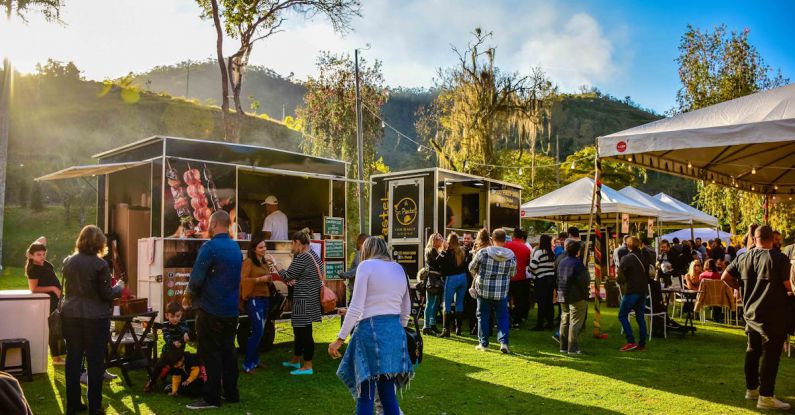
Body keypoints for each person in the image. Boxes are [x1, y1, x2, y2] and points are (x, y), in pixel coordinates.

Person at [329, 237, 413, 415]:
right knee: (388, 393)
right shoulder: (399, 268)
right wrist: (395, 330)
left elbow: (356, 306)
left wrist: (339, 339)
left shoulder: (365, 266)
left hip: (370, 332)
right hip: (395, 333)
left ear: (367, 250)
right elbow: (406, 310)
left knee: (365, 393)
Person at [722, 225, 792, 410]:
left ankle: (752, 389)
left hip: (751, 312)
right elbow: (788, 286)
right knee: (771, 355)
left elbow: (725, 277)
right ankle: (766, 396)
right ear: (773, 239)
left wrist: (740, 287)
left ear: (754, 238)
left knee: (752, 351)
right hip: (774, 314)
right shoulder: (779, 259)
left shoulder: (743, 257)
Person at [61, 225, 124, 415]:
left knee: (73, 360)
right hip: (95, 317)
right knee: (95, 362)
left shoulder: (68, 261)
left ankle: (73, 405)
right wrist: (119, 287)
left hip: (70, 314)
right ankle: (95, 407)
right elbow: (106, 294)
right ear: (99, 243)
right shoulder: (100, 264)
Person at [183, 210, 242, 409]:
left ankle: (211, 398)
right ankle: (232, 393)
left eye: (209, 223)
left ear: (215, 223)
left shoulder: (210, 247)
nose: (208, 226)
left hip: (210, 309)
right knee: (229, 352)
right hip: (231, 311)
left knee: (211, 354)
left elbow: (196, 278)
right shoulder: (235, 248)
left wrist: (187, 297)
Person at [268, 230, 323, 376]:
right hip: (311, 298)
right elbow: (315, 275)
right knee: (300, 331)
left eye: (293, 243)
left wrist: (276, 263)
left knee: (304, 333)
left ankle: (307, 366)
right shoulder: (314, 255)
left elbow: (287, 276)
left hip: (303, 299)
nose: (292, 247)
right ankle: (296, 359)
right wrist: (300, 280)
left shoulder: (302, 257)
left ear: (298, 243)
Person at [469, 229, 517, 354]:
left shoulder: (483, 252)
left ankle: (483, 343)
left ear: (492, 239)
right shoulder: (511, 255)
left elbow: (471, 268)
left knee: (482, 316)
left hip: (483, 290)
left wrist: (479, 274)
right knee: (502, 317)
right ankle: (503, 342)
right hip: (501, 291)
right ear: (505, 239)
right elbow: (513, 273)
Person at [24, 241, 65, 365]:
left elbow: (41, 239)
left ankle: (63, 354)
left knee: (61, 327)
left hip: (58, 299)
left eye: (43, 254)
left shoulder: (45, 264)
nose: (42, 257)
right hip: (48, 302)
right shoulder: (33, 269)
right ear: (31, 255)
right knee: (53, 329)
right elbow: (33, 289)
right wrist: (53, 288)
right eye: (38, 254)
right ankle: (56, 358)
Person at [239, 235, 274, 374]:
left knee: (261, 331)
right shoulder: (248, 262)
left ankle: (255, 360)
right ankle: (247, 364)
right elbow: (243, 281)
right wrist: (260, 279)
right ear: (253, 249)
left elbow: (268, 280)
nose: (264, 249)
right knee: (258, 331)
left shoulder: (264, 262)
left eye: (265, 246)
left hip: (265, 299)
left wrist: (268, 279)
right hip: (254, 299)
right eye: (261, 247)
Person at [145, 302, 191, 392]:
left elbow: (186, 330)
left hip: (179, 353)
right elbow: (167, 337)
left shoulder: (183, 324)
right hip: (167, 352)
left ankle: (175, 384)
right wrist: (174, 343)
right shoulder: (165, 326)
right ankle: (151, 383)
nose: (175, 319)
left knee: (177, 368)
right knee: (158, 366)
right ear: (167, 316)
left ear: (181, 315)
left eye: (178, 316)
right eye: (172, 316)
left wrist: (185, 334)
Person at [557, 240, 590, 354]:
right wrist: (585, 294)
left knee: (565, 320)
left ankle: (563, 347)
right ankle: (573, 348)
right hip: (576, 295)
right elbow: (584, 281)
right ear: (578, 252)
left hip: (562, 294)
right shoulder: (578, 264)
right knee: (575, 322)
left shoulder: (562, 262)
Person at [617, 236, 649, 352]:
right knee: (640, 317)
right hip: (643, 290)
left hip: (632, 290)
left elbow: (620, 276)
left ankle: (630, 341)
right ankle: (642, 344)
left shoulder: (626, 258)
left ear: (628, 245)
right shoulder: (644, 256)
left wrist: (621, 282)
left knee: (622, 315)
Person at [440, 233, 468, 337]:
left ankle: (446, 330)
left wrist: (443, 250)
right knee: (459, 303)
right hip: (463, 278)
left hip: (451, 278)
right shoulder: (462, 251)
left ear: (449, 241)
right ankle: (458, 329)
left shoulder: (448, 252)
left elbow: (440, 262)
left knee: (447, 304)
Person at [505, 229, 532, 328]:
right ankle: (517, 321)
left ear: (513, 236)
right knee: (519, 301)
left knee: (505, 300)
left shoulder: (506, 245)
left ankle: (506, 319)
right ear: (522, 238)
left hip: (507, 277)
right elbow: (527, 263)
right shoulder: (526, 248)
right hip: (520, 278)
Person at [529, 234, 555, 331]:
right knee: (549, 302)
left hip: (541, 279)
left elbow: (533, 266)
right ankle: (550, 323)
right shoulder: (551, 252)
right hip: (551, 279)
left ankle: (540, 324)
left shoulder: (539, 252)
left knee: (541, 302)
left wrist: (529, 268)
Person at [421, 233, 444, 335]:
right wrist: (444, 251)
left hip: (433, 279)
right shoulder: (432, 251)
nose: (442, 240)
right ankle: (427, 326)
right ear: (435, 241)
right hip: (433, 279)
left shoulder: (432, 250)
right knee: (431, 303)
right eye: (440, 239)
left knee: (433, 303)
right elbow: (439, 263)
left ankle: (430, 325)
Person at [461, 232, 478, 335]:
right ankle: (459, 326)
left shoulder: (475, 250)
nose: (466, 240)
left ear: (472, 239)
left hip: (472, 281)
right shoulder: (461, 249)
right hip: (464, 281)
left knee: (473, 305)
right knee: (463, 303)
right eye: (465, 238)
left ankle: (473, 326)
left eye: (468, 238)